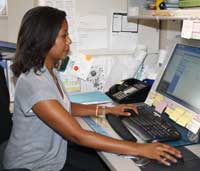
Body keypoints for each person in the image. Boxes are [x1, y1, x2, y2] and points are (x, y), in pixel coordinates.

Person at [3, 6, 182, 171]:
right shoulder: (35, 84)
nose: (69, 40)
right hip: (34, 166)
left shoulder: (47, 70)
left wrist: (107, 110)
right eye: (64, 35)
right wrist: (142, 149)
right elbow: (78, 136)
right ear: (45, 39)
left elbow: (64, 108)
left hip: (55, 156)